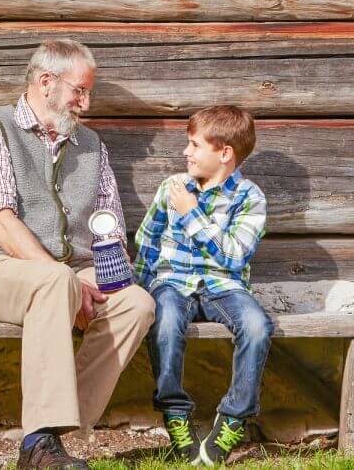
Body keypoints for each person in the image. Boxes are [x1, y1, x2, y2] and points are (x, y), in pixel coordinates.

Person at [0, 39, 155, 469]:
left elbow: (111, 224)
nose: (86, 102)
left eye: (88, 92)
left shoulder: (91, 144)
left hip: (70, 274)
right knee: (54, 281)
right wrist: (63, 279)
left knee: (136, 303)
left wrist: (108, 277)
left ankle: (46, 436)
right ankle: (39, 448)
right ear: (46, 82)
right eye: (79, 91)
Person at [134, 105, 273, 466]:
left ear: (224, 153)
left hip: (224, 286)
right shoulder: (172, 187)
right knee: (164, 322)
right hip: (173, 283)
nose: (186, 152)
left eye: (195, 145)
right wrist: (138, 287)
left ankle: (233, 419)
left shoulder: (249, 197)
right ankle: (175, 414)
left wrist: (192, 214)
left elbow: (234, 257)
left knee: (257, 326)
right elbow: (146, 243)